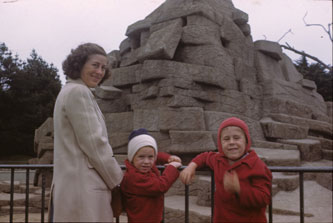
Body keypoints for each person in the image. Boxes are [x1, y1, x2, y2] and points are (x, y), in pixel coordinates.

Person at [50, 43, 123, 222]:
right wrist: (118, 181)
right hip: (84, 190)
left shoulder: (67, 91)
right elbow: (95, 144)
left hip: (71, 187)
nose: (100, 72)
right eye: (95, 65)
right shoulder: (79, 92)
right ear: (80, 64)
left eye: (103, 68)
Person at [180, 117, 272, 223]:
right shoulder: (219, 160)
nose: (231, 142)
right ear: (220, 143)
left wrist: (239, 189)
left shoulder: (257, 165)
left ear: (246, 141)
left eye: (236, 138)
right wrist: (192, 166)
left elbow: (264, 198)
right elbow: (205, 156)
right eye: (226, 139)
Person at [120, 128, 182, 223]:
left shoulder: (137, 166)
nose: (146, 162)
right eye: (141, 157)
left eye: (150, 157)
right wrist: (172, 167)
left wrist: (168, 158)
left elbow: (153, 155)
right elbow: (160, 186)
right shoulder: (134, 177)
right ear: (132, 157)